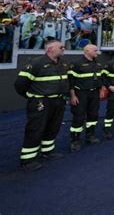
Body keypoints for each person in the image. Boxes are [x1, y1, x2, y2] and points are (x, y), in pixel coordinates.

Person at [14, 40, 69, 171]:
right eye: (60, 47)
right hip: (41, 102)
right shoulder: (36, 63)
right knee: (36, 128)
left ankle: (48, 151)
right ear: (50, 49)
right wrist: (31, 96)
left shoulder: (63, 64)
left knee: (53, 127)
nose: (63, 48)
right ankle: (28, 159)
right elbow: (20, 84)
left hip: (58, 101)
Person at [68, 44, 103, 152]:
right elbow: (70, 82)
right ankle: (75, 140)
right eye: (95, 50)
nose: (97, 52)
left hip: (94, 93)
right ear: (87, 51)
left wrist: (101, 89)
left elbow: (100, 78)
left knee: (93, 115)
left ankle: (90, 136)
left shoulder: (98, 63)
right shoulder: (76, 63)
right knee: (79, 117)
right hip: (80, 94)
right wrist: (73, 96)